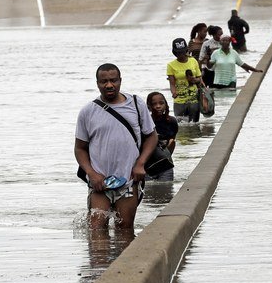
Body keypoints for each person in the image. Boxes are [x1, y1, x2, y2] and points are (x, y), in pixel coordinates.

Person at [74, 63, 158, 230]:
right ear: (97, 83)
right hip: (99, 184)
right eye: (103, 81)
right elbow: (80, 148)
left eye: (113, 80)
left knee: (125, 230)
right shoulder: (88, 111)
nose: (109, 85)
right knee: (96, 232)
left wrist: (141, 163)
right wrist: (92, 174)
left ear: (120, 81)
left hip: (128, 181)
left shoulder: (136, 104)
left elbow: (151, 136)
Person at [167, 37, 204, 122]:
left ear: (186, 50)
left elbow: (200, 78)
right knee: (181, 126)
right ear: (174, 53)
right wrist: (174, 92)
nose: (181, 54)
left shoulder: (193, 61)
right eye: (178, 52)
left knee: (194, 125)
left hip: (194, 99)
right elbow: (172, 83)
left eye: (183, 52)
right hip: (179, 100)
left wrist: (195, 80)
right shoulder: (171, 65)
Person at [145, 91, 178, 182]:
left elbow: (172, 143)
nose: (158, 106)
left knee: (166, 187)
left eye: (161, 103)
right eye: (154, 104)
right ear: (149, 106)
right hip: (148, 163)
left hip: (165, 161)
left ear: (166, 104)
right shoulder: (146, 123)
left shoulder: (172, 121)